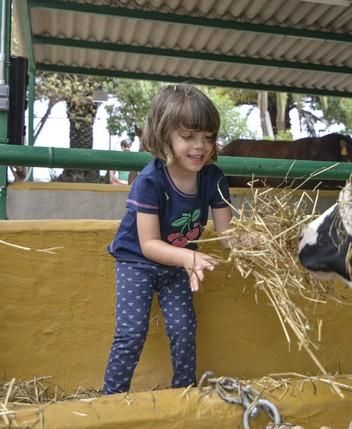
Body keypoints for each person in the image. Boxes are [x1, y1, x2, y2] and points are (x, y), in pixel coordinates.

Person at [103, 84, 233, 395]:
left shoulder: (213, 178)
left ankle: (183, 394)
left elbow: (229, 234)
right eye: (188, 137)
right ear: (164, 136)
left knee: (184, 329)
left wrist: (263, 243)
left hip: (177, 264)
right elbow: (149, 244)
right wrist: (189, 258)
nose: (200, 146)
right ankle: (111, 399)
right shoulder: (150, 181)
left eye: (208, 137)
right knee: (132, 333)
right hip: (137, 262)